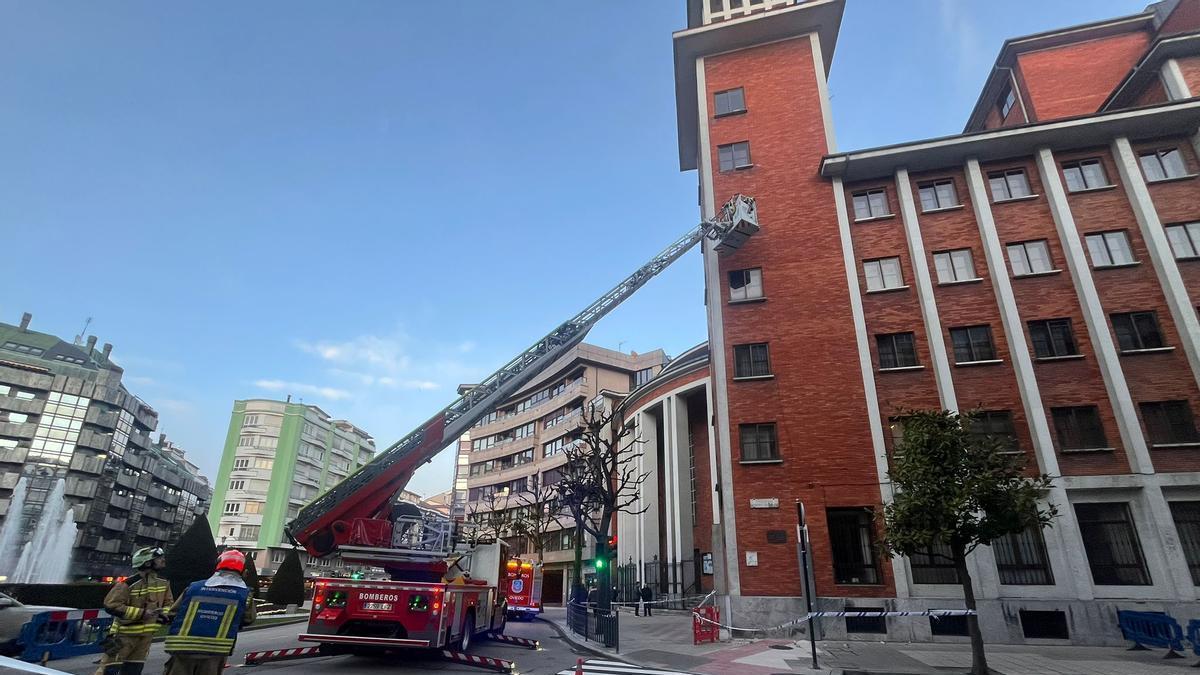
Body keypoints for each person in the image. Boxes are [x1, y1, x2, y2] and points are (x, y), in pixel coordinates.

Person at [162, 550, 256, 675]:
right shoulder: (244, 595)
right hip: (215, 652)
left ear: (217, 566)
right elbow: (248, 619)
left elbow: (173, 613)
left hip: (182, 650)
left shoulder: (194, 587)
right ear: (244, 572)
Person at [97, 546, 172, 675]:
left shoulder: (163, 583)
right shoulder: (128, 584)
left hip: (145, 638)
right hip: (122, 637)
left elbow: (169, 603)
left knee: (133, 671)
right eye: (159, 558)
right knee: (108, 671)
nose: (163, 560)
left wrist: (164, 614)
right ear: (148, 562)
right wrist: (142, 613)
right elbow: (111, 605)